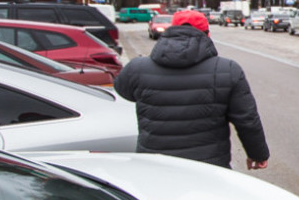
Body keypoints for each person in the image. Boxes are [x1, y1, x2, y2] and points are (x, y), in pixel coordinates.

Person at [114, 9, 269, 169]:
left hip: (154, 167)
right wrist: (257, 154)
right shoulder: (228, 69)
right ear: (207, 35)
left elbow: (122, 89)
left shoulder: (138, 67)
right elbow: (246, 119)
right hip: (209, 168)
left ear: (170, 31)